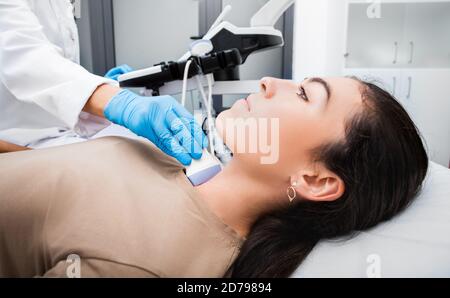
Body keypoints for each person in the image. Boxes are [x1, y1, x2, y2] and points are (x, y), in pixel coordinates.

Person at [0, 77, 428, 277]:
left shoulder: (150, 263)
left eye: (303, 94)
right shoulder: (182, 164)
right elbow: (35, 178)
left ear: (315, 180)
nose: (267, 82)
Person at [0, 0, 206, 166]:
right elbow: (23, 57)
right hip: (20, 143)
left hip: (59, 137)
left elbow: (57, 77)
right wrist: (117, 101)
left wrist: (97, 84)